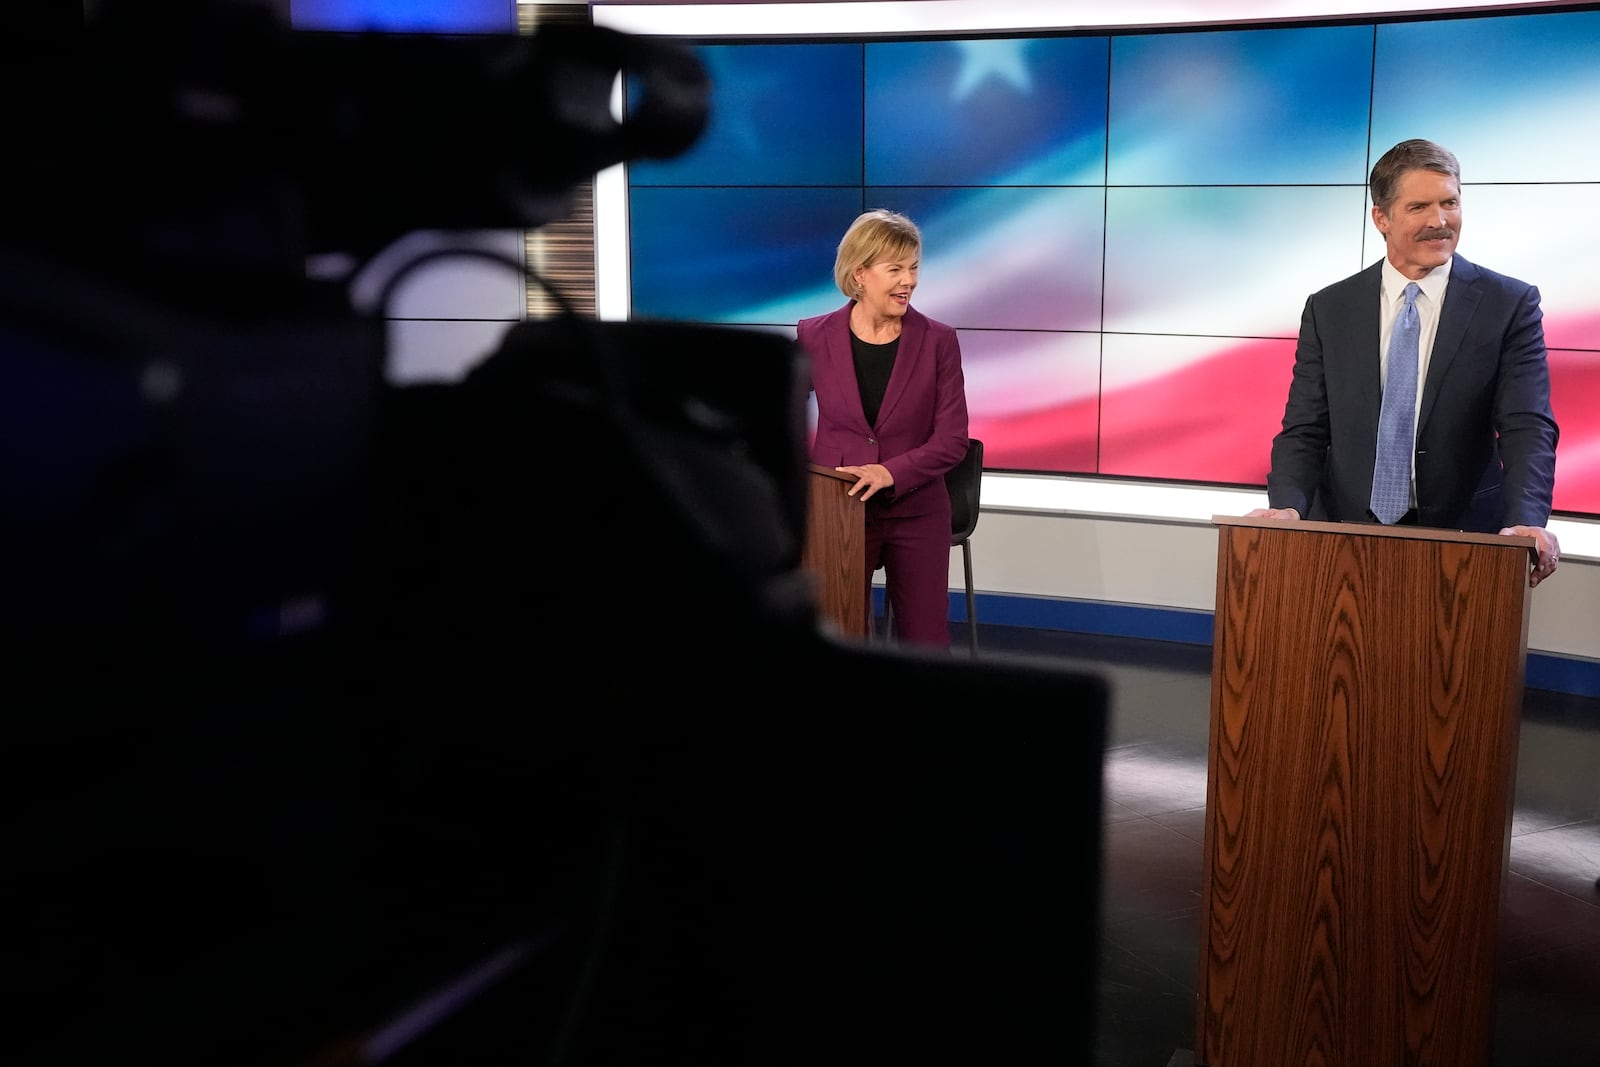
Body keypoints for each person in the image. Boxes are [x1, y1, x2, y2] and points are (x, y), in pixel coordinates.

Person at [1248, 138, 1561, 588]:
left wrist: (1527, 519)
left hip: (1465, 541)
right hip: (1344, 535)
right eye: (1419, 207)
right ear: (1382, 217)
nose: (1440, 221)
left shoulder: (1509, 305)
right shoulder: (1330, 308)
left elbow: (1527, 426)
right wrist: (1288, 505)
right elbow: (1306, 427)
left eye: (1449, 202)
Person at [796, 209, 970, 648]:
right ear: (860, 274)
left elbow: (953, 441)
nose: (909, 281)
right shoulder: (814, 335)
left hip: (917, 510)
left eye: (913, 269)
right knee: (837, 636)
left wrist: (890, 473)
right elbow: (783, 413)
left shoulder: (938, 341)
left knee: (925, 640)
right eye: (895, 270)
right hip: (837, 510)